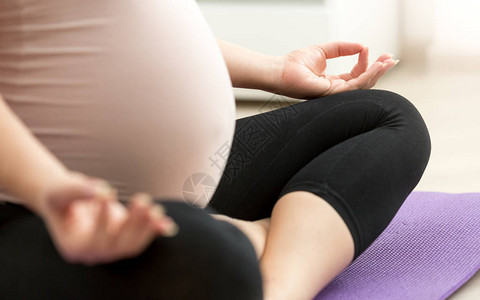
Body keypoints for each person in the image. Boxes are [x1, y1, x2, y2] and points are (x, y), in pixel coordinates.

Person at [0, 0, 431, 299]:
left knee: (386, 117)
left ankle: (273, 283)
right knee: (212, 260)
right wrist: (47, 187)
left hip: (190, 184)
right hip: (46, 210)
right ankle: (264, 243)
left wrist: (277, 71)